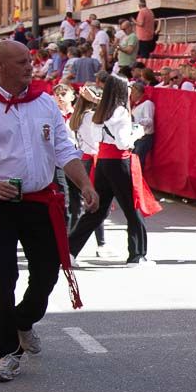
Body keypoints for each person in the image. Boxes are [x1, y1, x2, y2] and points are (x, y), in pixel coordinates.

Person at [0, 41, 98, 383]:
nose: (29, 68)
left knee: (47, 273)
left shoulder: (45, 103)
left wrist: (85, 185)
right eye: (20, 63)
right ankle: (6, 353)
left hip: (40, 201)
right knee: (1, 279)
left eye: (29, 62)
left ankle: (23, 320)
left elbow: (65, 149)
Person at [68, 74, 153, 266]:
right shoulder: (121, 111)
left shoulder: (101, 111)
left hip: (104, 162)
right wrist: (137, 133)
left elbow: (99, 136)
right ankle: (137, 255)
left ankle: (70, 250)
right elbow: (124, 142)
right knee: (133, 209)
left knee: (96, 210)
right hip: (119, 161)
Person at [67, 85, 108, 254]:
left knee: (78, 206)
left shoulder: (77, 116)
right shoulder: (91, 116)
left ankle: (71, 242)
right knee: (96, 205)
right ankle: (101, 244)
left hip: (81, 159)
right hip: (92, 160)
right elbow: (96, 141)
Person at [130, 81, 155, 168]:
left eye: (132, 92)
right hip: (136, 137)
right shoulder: (134, 105)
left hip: (144, 138)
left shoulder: (147, 103)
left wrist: (136, 120)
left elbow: (149, 121)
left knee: (138, 162)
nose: (131, 94)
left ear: (139, 92)